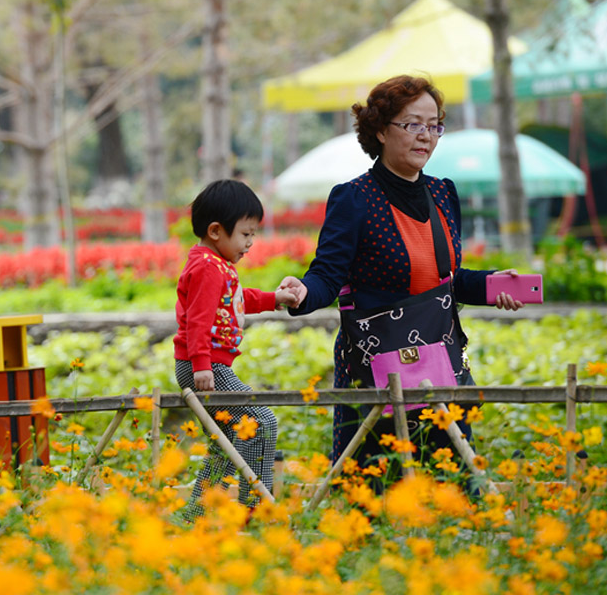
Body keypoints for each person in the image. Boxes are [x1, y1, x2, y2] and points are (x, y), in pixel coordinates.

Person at [278, 75, 524, 474]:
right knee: (376, 484)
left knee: (450, 480)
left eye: (434, 125)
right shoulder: (354, 198)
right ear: (380, 130)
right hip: (376, 366)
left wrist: (494, 285)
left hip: (439, 362)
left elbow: (448, 279)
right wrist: (303, 291)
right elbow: (328, 274)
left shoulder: (443, 193)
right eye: (413, 124)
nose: (425, 136)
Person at [174, 179, 298, 520]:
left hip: (208, 365)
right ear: (216, 231)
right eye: (245, 234)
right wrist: (201, 365)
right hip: (205, 367)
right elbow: (197, 321)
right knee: (261, 421)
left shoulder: (218, 267)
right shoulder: (207, 269)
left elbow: (240, 300)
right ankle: (257, 508)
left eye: (253, 234)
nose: (250, 243)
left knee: (226, 441)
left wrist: (276, 299)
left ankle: (196, 515)